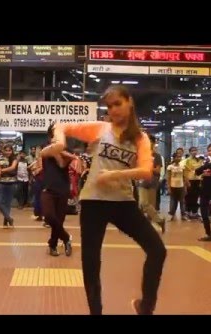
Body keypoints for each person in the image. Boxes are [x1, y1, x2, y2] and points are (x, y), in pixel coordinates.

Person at [46, 85, 167, 315]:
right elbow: (60, 125)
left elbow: (145, 171)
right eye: (109, 106)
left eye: (117, 104)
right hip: (93, 201)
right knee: (91, 262)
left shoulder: (141, 138)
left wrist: (115, 175)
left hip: (123, 202)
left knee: (157, 250)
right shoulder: (101, 129)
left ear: (129, 102)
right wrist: (60, 143)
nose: (113, 110)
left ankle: (146, 307)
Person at [40, 124, 74, 257]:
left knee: (59, 220)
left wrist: (66, 154)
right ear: (50, 135)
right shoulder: (45, 147)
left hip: (63, 187)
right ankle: (66, 238)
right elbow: (50, 154)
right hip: (48, 187)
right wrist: (61, 151)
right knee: (49, 216)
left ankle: (53, 245)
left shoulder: (67, 148)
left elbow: (62, 164)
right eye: (55, 132)